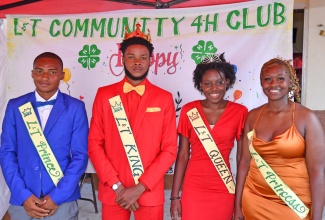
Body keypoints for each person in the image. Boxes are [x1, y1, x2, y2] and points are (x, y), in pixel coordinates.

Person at [88, 24, 177, 220]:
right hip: (114, 192)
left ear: (150, 61)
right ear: (122, 60)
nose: (137, 62)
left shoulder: (164, 98)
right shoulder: (104, 95)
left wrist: (140, 187)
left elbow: (170, 148)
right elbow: (94, 144)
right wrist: (117, 186)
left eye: (143, 57)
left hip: (149, 191)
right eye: (131, 57)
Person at [0, 52, 89, 220]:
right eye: (39, 71)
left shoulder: (75, 108)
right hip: (23, 199)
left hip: (61, 200)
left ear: (62, 75)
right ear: (32, 73)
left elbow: (80, 156)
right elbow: (6, 152)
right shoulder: (15, 106)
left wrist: (57, 197)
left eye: (52, 72)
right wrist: (23, 195)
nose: (45, 77)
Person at [234, 58, 325, 220]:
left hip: (294, 204)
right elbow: (243, 162)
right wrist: (237, 206)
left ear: (290, 81)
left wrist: (317, 217)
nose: (273, 84)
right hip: (254, 201)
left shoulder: (307, 118)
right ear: (261, 83)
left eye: (280, 78)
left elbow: (317, 171)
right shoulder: (252, 116)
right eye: (267, 79)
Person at [170, 53, 248, 220]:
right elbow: (183, 155)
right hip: (193, 187)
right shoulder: (189, 110)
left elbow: (243, 159)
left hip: (224, 187)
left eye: (219, 82)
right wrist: (175, 196)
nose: (214, 88)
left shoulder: (240, 112)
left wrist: (239, 201)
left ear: (227, 81)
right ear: (200, 85)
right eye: (208, 83)